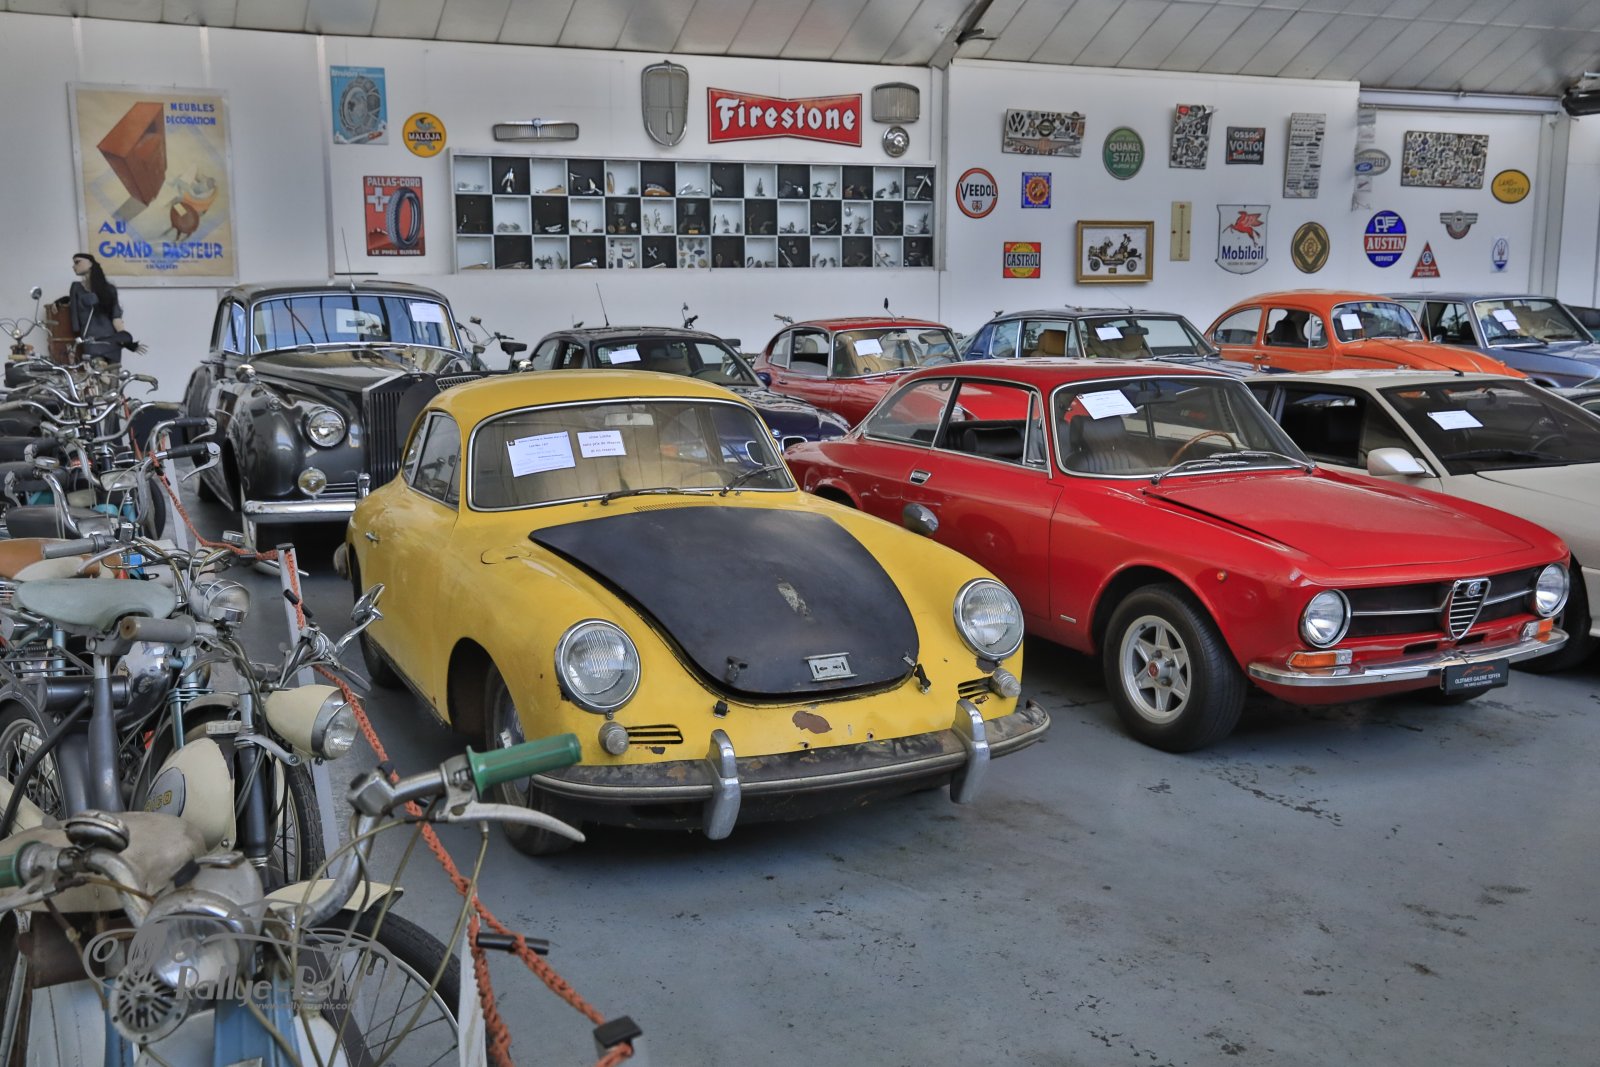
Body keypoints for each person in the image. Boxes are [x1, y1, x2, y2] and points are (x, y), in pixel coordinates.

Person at [63, 252, 143, 363]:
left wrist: (126, 341)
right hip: (91, 341)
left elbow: (116, 318)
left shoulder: (109, 289)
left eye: (77, 262)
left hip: (111, 339)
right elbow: (75, 322)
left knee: (114, 372)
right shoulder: (76, 288)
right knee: (98, 370)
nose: (74, 266)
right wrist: (62, 301)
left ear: (90, 263)